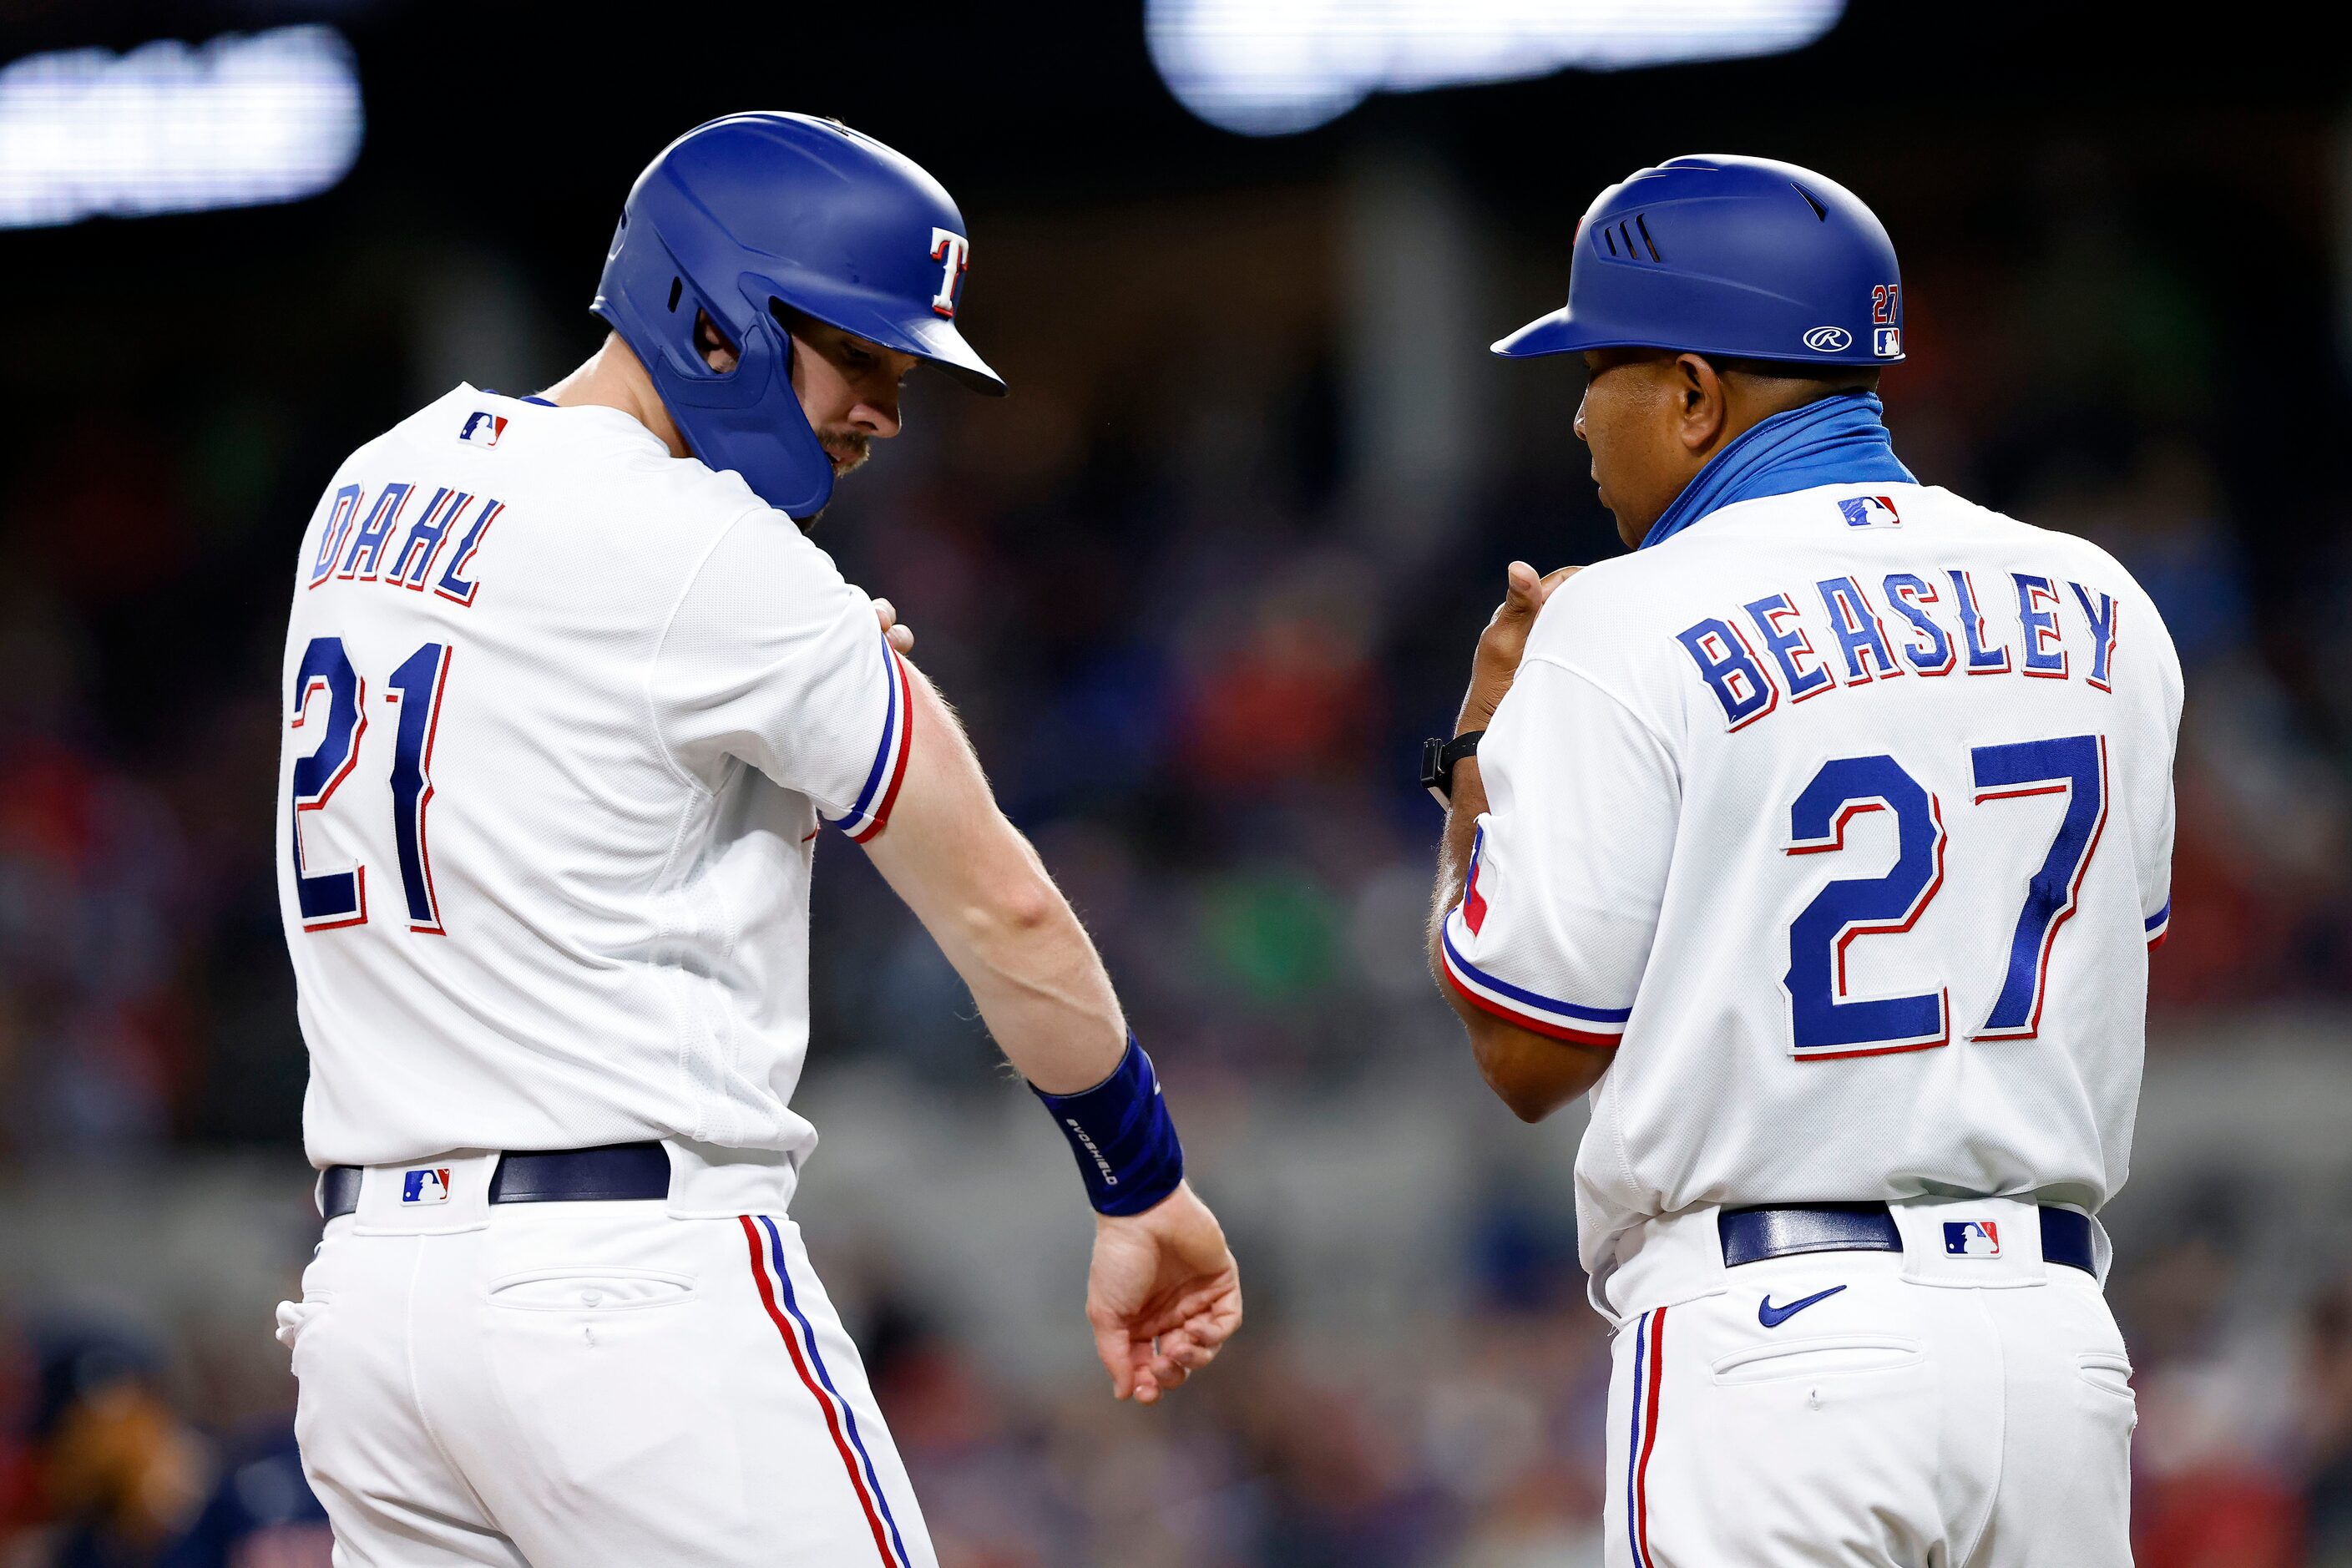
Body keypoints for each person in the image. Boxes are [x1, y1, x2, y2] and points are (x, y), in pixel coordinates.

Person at [271, 112, 1241, 1568]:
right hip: (626, 1296)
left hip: (368, 1313)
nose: (884, 413)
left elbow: (560, 751)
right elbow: (1004, 910)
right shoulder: (720, 557)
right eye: (862, 357)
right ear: (713, 319)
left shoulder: (365, 490)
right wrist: (1140, 1179)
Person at [1421, 154, 2177, 1565]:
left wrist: (1472, 746)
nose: (1580, 416)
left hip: (1772, 1348)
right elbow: (2112, 954)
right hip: (2057, 1349)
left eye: (1598, 370)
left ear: (1696, 395)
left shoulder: (1624, 621)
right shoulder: (2100, 597)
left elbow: (1524, 1048)